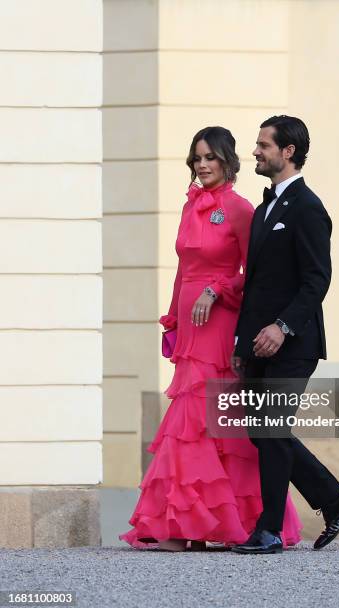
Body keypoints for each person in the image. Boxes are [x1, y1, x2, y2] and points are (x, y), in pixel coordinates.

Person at [120, 126, 302, 552]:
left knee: (207, 422)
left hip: (220, 323)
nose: (202, 166)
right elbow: (184, 267)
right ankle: (189, 523)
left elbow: (250, 276)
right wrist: (172, 320)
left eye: (210, 158)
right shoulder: (190, 207)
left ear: (227, 161)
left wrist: (214, 290)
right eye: (196, 159)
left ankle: (200, 525)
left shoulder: (239, 209)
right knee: (192, 424)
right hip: (190, 326)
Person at [231, 115, 339, 555]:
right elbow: (255, 284)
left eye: (264, 145)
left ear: (288, 151)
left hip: (294, 343)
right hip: (257, 344)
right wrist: (240, 341)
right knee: (261, 429)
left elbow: (316, 280)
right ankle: (332, 496)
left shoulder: (308, 208)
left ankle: (268, 530)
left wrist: (282, 327)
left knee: (270, 428)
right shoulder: (265, 210)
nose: (256, 151)